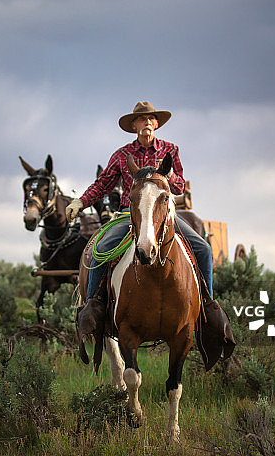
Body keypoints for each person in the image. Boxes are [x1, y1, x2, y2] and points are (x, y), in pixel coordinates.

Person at [65, 101, 215, 335]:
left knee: (204, 249)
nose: (146, 123)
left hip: (164, 216)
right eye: (141, 119)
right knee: (100, 249)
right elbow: (103, 184)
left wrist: (172, 176)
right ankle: (93, 305)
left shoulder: (170, 150)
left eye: (150, 119)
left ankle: (208, 309)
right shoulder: (122, 154)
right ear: (134, 125)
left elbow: (178, 189)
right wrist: (81, 202)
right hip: (130, 215)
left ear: (156, 123)